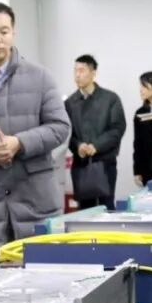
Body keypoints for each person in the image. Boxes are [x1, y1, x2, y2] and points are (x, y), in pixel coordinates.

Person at [0, 2, 71, 256]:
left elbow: (60, 127)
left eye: (4, 31)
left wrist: (19, 143)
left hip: (34, 196)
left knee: (42, 266)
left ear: (13, 33)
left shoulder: (40, 77)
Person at [65, 54, 126, 209]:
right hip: (81, 165)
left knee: (107, 206)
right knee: (85, 210)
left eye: (82, 70)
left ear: (93, 73)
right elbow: (66, 133)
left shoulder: (110, 99)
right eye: (75, 70)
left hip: (105, 163)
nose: (77, 75)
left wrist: (96, 146)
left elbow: (117, 128)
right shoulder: (70, 103)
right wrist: (78, 146)